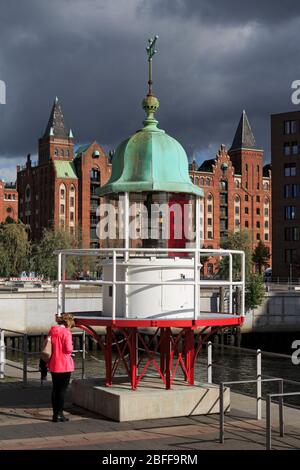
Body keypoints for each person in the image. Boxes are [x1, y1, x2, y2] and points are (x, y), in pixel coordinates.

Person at [47, 313, 75, 422]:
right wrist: (72, 346)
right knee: (62, 390)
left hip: (53, 362)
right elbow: (68, 349)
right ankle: (60, 414)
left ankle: (55, 414)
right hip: (64, 364)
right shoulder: (66, 332)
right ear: (68, 322)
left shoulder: (52, 330)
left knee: (55, 389)